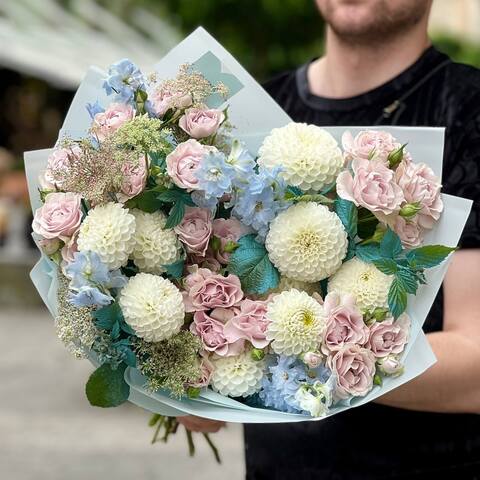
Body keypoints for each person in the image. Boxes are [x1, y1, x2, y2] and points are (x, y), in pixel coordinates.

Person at [178, 1, 480, 478]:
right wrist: (197, 371)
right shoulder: (245, 118)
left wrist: (301, 363)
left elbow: (476, 368)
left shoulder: (468, 111)